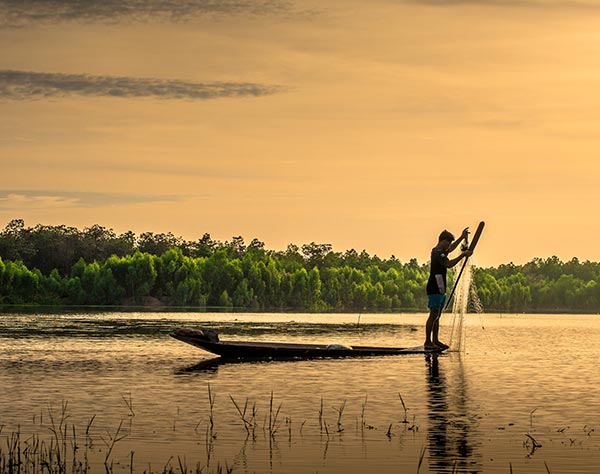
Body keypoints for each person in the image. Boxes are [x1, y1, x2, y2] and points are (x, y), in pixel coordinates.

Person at [425, 228, 472, 351]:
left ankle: (435, 340)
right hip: (434, 287)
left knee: (437, 316)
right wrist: (463, 255)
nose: (449, 246)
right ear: (443, 241)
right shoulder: (437, 253)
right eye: (448, 242)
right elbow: (449, 264)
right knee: (433, 314)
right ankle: (428, 342)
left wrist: (462, 237)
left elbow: (450, 250)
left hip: (441, 288)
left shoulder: (442, 251)